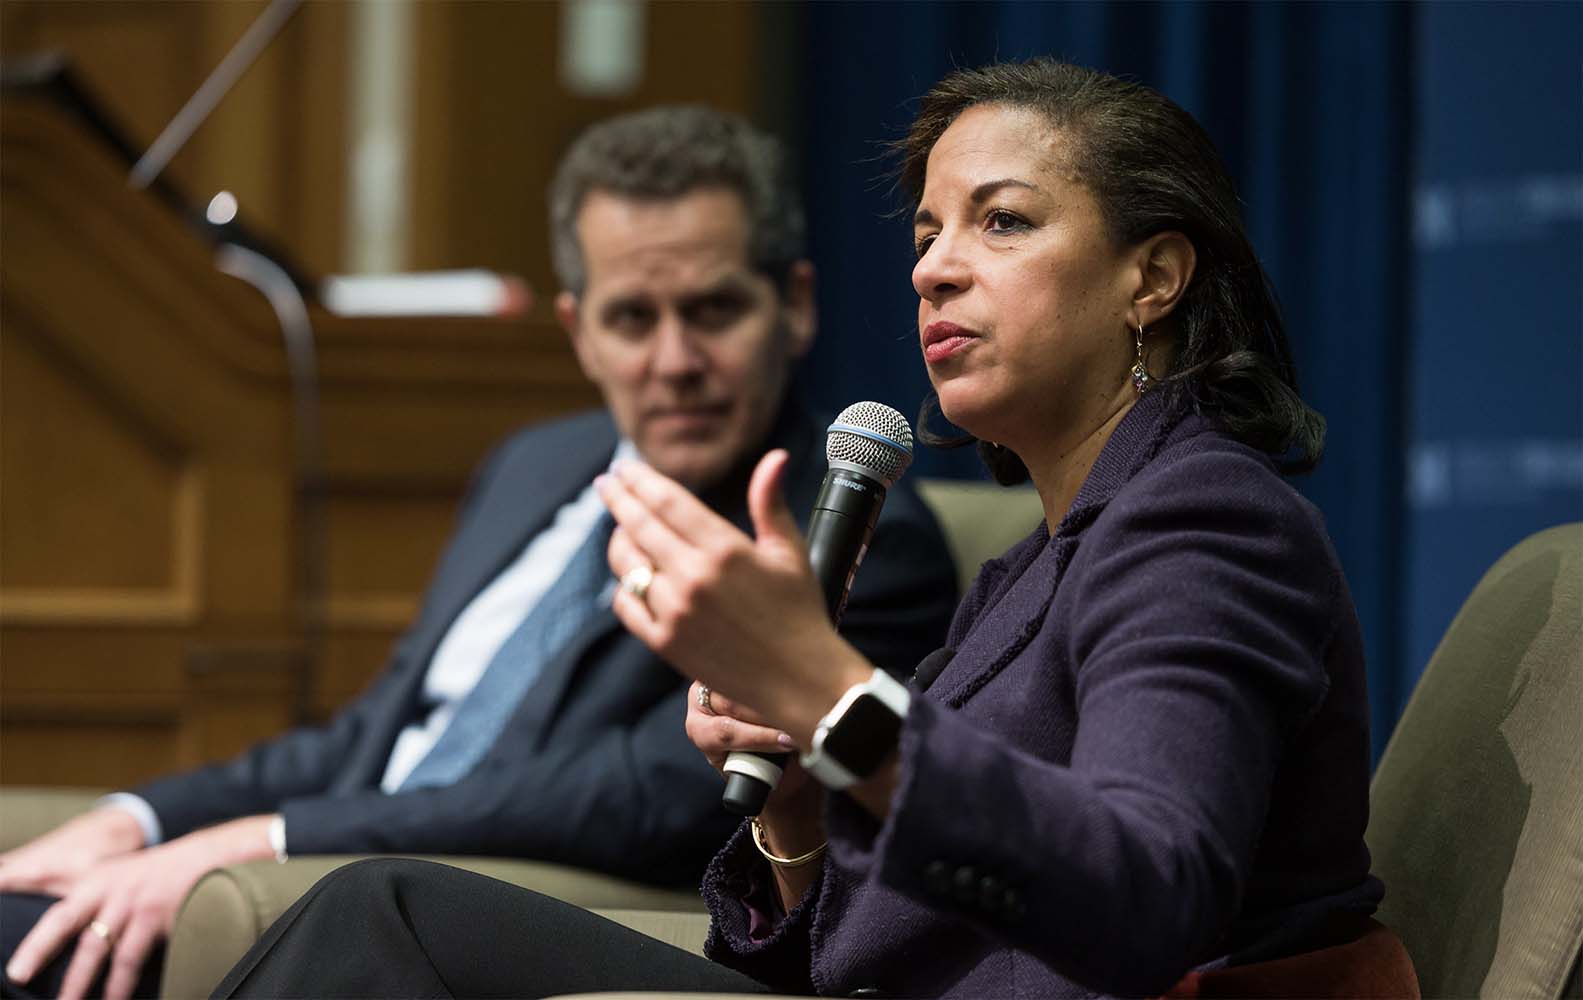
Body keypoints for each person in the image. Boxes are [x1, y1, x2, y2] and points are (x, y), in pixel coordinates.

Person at [211, 58, 1403, 1000]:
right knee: (381, 913)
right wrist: (791, 795)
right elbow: (839, 946)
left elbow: (1147, 893)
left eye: (999, 223)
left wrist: (830, 691)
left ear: (1151, 277)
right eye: (927, 233)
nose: (934, 271)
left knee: (388, 919)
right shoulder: (1032, 561)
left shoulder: (1208, 520)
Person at [0, 106, 959, 1000]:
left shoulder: (853, 538)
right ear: (577, 332)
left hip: (425, 908)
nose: (673, 362)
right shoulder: (533, 466)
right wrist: (141, 819)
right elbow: (374, 735)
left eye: (712, 312)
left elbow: (638, 796)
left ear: (792, 306)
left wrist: (263, 843)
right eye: (632, 319)